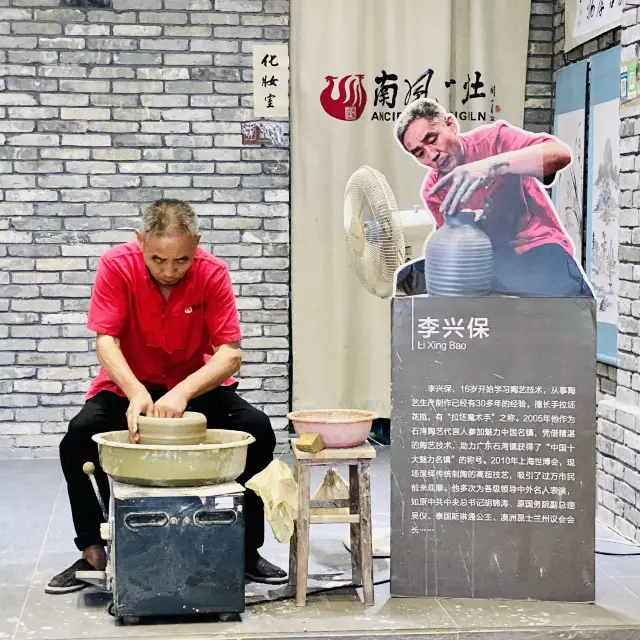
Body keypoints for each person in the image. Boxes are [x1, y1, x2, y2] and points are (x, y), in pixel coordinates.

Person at [46, 199, 287, 594]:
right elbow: (105, 340)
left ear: (196, 243)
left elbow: (230, 353)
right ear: (140, 241)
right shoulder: (116, 265)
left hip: (194, 385)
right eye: (158, 260)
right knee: (78, 438)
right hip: (128, 385)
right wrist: (136, 392)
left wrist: (182, 392)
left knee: (257, 431)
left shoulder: (212, 273)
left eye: (182, 260)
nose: (170, 271)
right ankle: (93, 551)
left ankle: (242, 551)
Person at [394, 98, 592, 298]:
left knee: (567, 300)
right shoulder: (435, 189)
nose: (432, 155)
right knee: (407, 279)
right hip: (484, 259)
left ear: (451, 125)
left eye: (432, 139)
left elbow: (559, 154)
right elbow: (451, 243)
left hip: (532, 247)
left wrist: (488, 166)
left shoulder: (494, 139)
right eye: (420, 153)